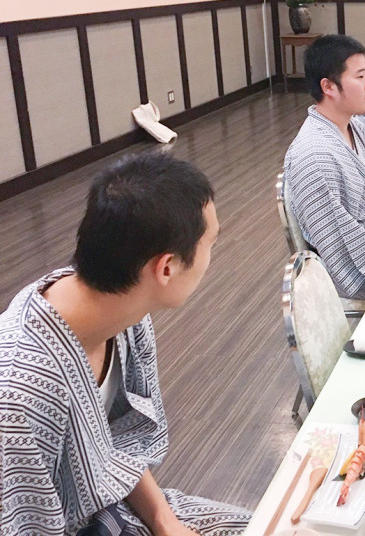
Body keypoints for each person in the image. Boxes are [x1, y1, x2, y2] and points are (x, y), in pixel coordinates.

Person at [0, 152, 250, 535]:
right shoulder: (20, 392)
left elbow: (121, 440)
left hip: (115, 509)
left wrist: (163, 520)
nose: (210, 256)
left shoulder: (126, 313)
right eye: (210, 242)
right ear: (166, 267)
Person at [285, 35, 365, 300]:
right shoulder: (314, 155)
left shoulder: (352, 125)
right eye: (360, 77)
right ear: (328, 87)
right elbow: (340, 247)